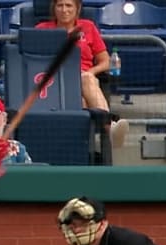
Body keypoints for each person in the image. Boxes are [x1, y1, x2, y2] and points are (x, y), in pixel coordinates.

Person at [35, 0, 129, 147]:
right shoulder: (42, 29)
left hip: (84, 79)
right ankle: (110, 127)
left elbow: (106, 62)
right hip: (53, 81)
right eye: (60, 5)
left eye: (68, 5)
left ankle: (83, 150)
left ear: (77, 9)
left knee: (83, 96)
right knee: (83, 95)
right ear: (54, 9)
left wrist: (89, 72)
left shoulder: (88, 27)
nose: (64, 10)